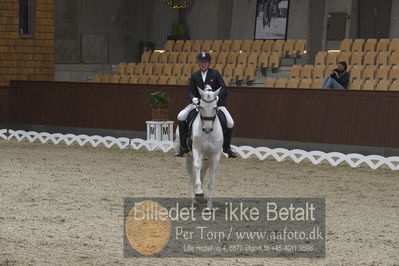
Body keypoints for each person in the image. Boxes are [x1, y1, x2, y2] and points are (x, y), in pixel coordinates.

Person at [175, 51, 237, 158]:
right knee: (181, 116)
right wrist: (193, 98)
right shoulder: (195, 75)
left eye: (205, 62)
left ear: (208, 63)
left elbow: (223, 88)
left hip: (215, 104)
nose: (203, 64)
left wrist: (217, 97)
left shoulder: (215, 73)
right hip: (199, 104)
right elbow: (190, 91)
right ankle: (183, 147)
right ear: (198, 63)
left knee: (230, 122)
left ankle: (227, 147)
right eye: (201, 62)